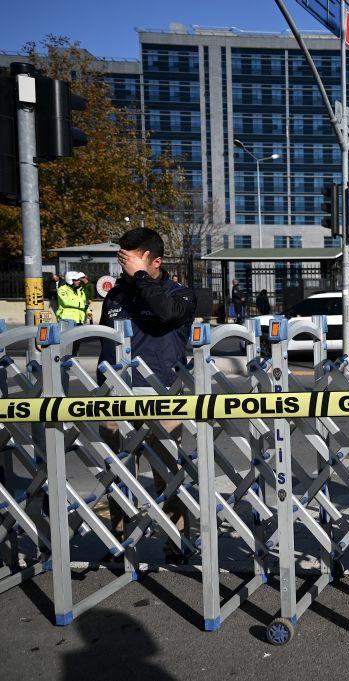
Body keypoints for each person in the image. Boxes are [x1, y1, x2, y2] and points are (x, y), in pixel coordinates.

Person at [98, 227, 197, 563]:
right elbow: (106, 342)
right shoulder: (116, 296)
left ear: (156, 261)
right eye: (122, 259)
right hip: (116, 394)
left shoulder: (179, 294)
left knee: (168, 475)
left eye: (133, 260)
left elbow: (166, 315)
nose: (124, 267)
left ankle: (175, 542)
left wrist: (141, 277)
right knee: (117, 473)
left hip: (163, 396)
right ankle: (120, 541)